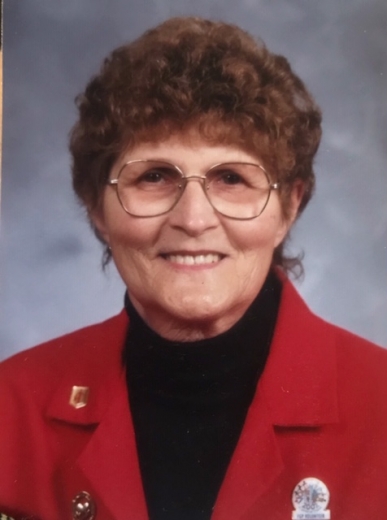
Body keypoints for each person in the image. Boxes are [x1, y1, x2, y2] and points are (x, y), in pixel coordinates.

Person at [0, 16, 386, 520]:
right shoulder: (12, 405)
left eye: (231, 177)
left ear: (289, 207)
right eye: (154, 176)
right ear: (95, 205)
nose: (193, 218)